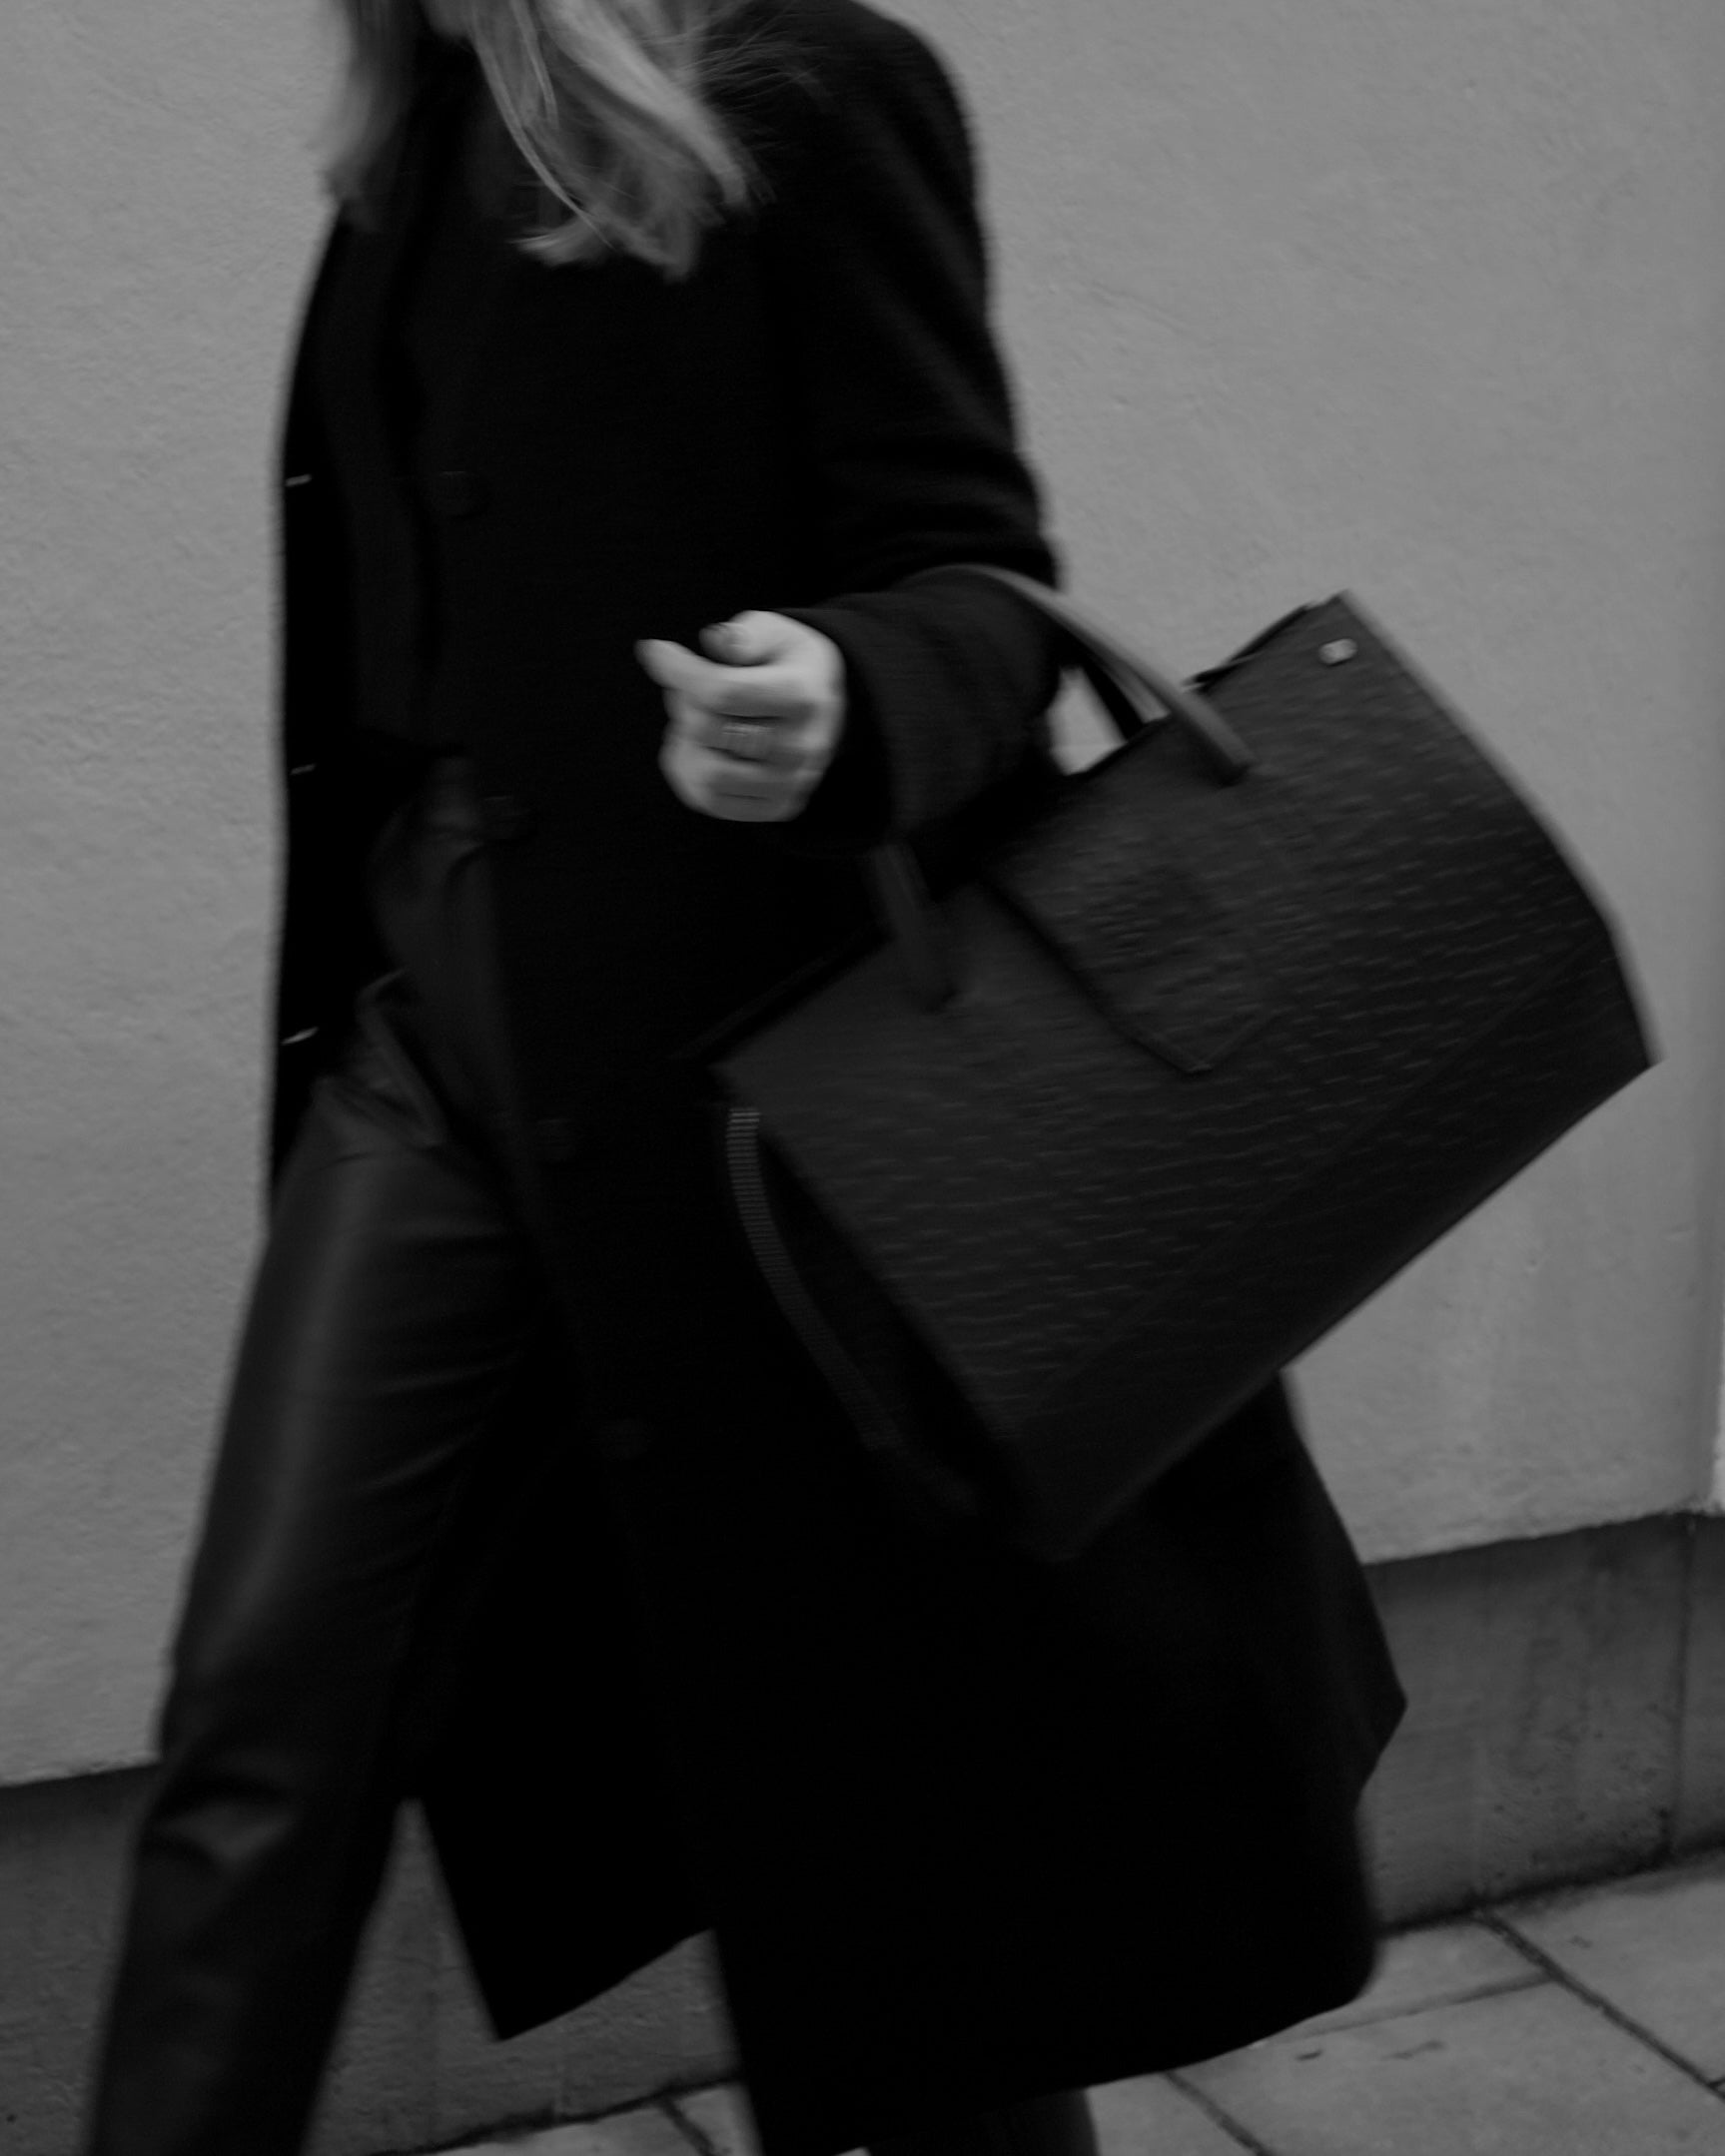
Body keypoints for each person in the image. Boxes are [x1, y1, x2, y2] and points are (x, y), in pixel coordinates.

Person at [82, 3, 1407, 2153]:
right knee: (267, 1698)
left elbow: (979, 590)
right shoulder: (410, 151)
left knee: (906, 1808)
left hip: (767, 1118)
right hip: (431, 1071)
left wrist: (848, 693)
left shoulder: (806, 95)